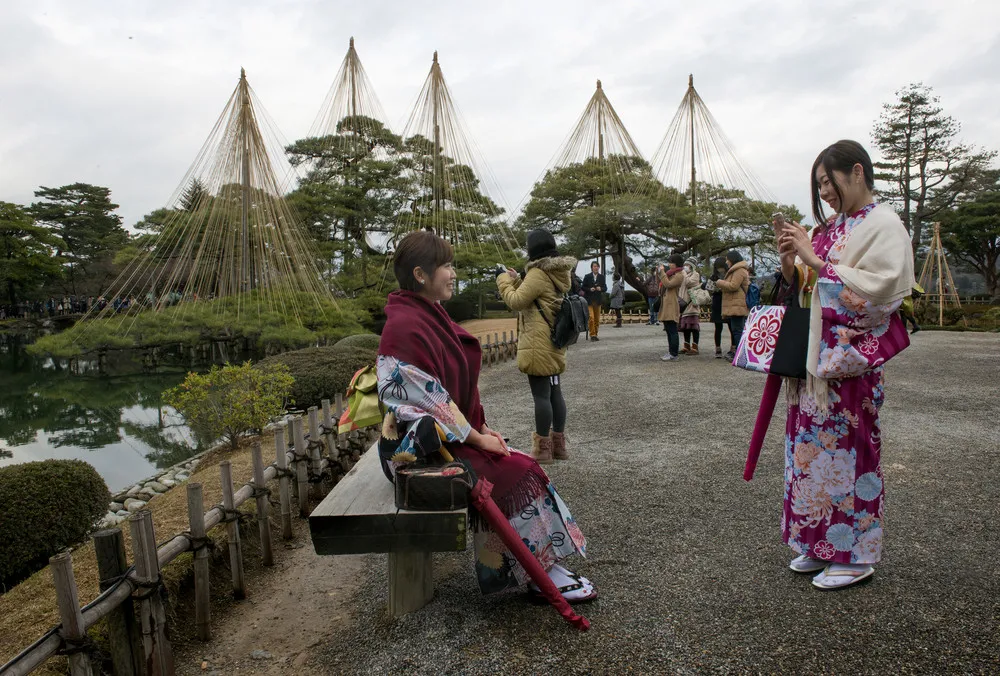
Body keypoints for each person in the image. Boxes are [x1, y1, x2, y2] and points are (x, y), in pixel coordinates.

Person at [376, 230, 595, 602]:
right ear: (420, 275)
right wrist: (476, 438)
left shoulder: (425, 315)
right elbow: (426, 401)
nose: (453, 272)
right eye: (446, 266)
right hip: (416, 450)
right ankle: (533, 572)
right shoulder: (403, 327)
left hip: (443, 438)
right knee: (513, 473)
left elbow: (452, 390)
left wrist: (481, 426)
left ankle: (539, 564)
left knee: (519, 462)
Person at [773, 139, 914, 590]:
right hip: (817, 365)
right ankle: (819, 545)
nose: (824, 192)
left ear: (856, 171)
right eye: (817, 185)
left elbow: (882, 294)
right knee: (811, 453)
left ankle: (856, 555)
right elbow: (810, 287)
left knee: (851, 455)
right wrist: (792, 265)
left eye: (827, 182)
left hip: (850, 364)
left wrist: (815, 261)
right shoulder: (833, 226)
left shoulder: (883, 224)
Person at [495, 229, 576, 464]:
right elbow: (539, 295)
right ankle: (558, 446)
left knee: (541, 396)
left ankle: (542, 449)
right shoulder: (556, 271)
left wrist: (502, 279)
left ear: (533, 250)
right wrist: (518, 279)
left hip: (538, 343)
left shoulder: (538, 273)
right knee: (555, 392)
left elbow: (516, 301)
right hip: (554, 341)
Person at [714, 250, 750, 361]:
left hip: (738, 304)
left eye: (727, 259)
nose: (726, 262)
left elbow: (733, 286)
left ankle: (740, 355)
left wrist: (719, 282)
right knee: (736, 329)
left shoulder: (739, 270)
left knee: (738, 330)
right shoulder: (736, 270)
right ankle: (739, 353)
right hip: (736, 304)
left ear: (732, 259)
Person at [656, 254, 686, 361]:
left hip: (672, 304)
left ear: (676, 263)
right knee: (668, 329)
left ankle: (674, 354)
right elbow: (662, 284)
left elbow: (668, 284)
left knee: (672, 330)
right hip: (667, 304)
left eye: (671, 262)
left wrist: (662, 273)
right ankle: (671, 352)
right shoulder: (671, 273)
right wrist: (659, 273)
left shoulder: (679, 275)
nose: (669, 264)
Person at [707, 257, 731, 358]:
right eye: (717, 267)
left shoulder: (729, 275)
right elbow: (709, 288)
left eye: (721, 267)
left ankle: (733, 347)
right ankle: (718, 348)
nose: (720, 269)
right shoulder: (713, 276)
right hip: (717, 302)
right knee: (718, 327)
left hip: (728, 302)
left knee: (731, 326)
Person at [679, 259, 702, 355]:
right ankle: (686, 345)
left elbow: (689, 283)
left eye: (687, 265)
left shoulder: (695, 274)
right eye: (685, 265)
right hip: (684, 304)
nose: (685, 267)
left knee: (693, 327)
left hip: (692, 305)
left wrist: (684, 274)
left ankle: (695, 347)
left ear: (692, 266)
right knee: (685, 327)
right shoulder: (684, 274)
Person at [581, 261, 607, 341]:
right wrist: (589, 289)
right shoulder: (587, 276)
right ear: (591, 268)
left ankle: (595, 334)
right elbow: (583, 287)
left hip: (598, 301)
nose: (595, 268)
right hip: (589, 300)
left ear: (598, 267)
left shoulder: (602, 277)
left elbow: (605, 288)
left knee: (596, 319)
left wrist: (601, 289)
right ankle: (592, 335)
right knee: (591, 318)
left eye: (597, 266)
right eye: (594, 266)